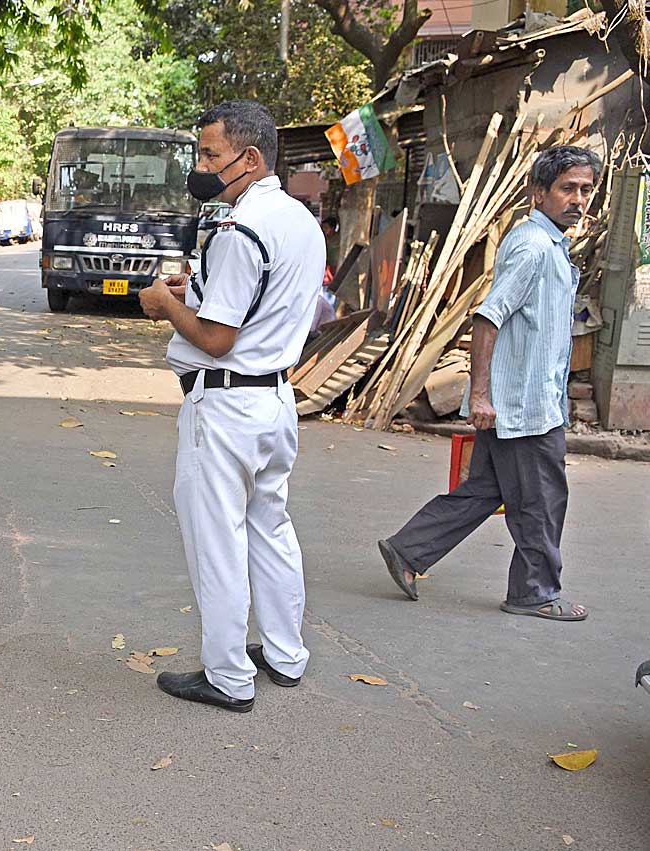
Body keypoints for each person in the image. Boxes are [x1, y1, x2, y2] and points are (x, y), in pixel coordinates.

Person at [138, 100, 324, 712]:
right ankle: (284, 653)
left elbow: (217, 338)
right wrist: (194, 288)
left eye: (210, 155)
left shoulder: (242, 228)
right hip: (275, 400)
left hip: (225, 408)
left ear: (250, 157)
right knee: (271, 528)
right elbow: (262, 300)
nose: (201, 166)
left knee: (218, 539)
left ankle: (227, 675)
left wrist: (166, 306)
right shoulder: (298, 220)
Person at [378, 146, 601, 622]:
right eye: (567, 189)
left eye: (585, 189)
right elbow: (489, 316)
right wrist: (480, 395)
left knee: (485, 489)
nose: (578, 199)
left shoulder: (551, 245)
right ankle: (534, 593)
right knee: (541, 500)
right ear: (539, 193)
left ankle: (408, 549)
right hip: (521, 406)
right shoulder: (535, 246)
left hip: (524, 400)